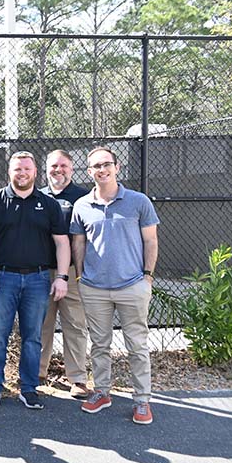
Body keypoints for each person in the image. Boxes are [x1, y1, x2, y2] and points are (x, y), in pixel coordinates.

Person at [0, 151, 69, 410]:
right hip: (1, 278)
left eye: (27, 169)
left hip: (38, 280)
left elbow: (62, 242)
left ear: (35, 172)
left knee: (32, 337)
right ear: (10, 172)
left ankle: (28, 389)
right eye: (17, 169)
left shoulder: (49, 204)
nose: (22, 173)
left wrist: (61, 276)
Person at [72, 146, 159, 425]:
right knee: (99, 344)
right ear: (89, 172)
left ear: (117, 167)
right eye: (96, 166)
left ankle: (142, 400)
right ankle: (102, 392)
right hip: (94, 287)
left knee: (137, 345)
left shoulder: (138, 201)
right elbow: (78, 242)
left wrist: (147, 275)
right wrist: (81, 276)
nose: (102, 170)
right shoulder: (82, 205)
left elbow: (151, 240)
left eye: (106, 164)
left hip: (132, 285)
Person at [38, 150, 91, 399]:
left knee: (75, 325)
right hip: (40, 271)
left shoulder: (83, 197)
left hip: (70, 273)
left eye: (63, 166)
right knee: (40, 324)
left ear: (72, 168)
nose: (58, 170)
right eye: (53, 166)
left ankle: (78, 378)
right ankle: (37, 373)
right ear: (45, 169)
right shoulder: (37, 196)